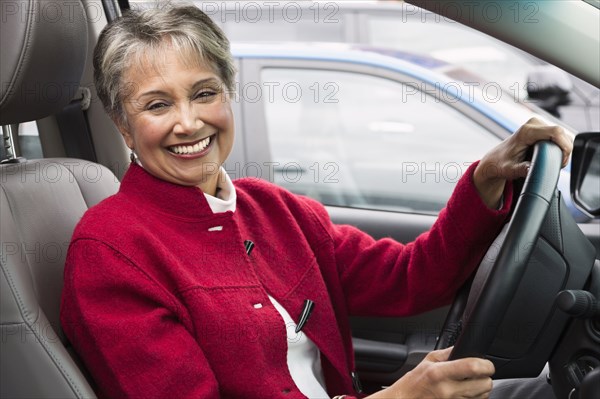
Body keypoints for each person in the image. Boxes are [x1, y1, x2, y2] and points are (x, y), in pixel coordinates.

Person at [60, 4, 573, 399]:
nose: (190, 122)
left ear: (228, 95)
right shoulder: (109, 254)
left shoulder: (275, 210)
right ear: (122, 123)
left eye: (204, 93)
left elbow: (411, 278)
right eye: (157, 104)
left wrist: (484, 178)